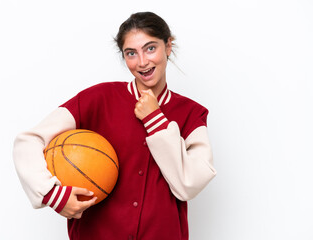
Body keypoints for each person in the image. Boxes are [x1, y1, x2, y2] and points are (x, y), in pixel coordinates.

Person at [13, 11, 216, 240]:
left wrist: (155, 120)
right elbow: (28, 141)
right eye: (131, 53)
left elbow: (188, 185)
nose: (142, 62)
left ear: (168, 46)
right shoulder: (98, 98)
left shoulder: (192, 113)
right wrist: (52, 194)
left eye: (150, 48)